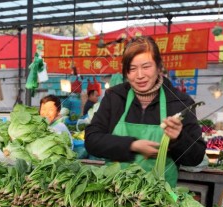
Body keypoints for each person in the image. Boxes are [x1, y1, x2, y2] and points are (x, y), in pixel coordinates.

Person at [85, 36, 205, 187]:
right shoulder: (115, 97)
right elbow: (92, 140)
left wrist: (178, 138)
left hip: (159, 201)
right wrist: (132, 145)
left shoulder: (179, 102)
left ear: (159, 67)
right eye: (132, 69)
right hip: (114, 196)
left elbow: (196, 157)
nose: (140, 75)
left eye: (146, 66)